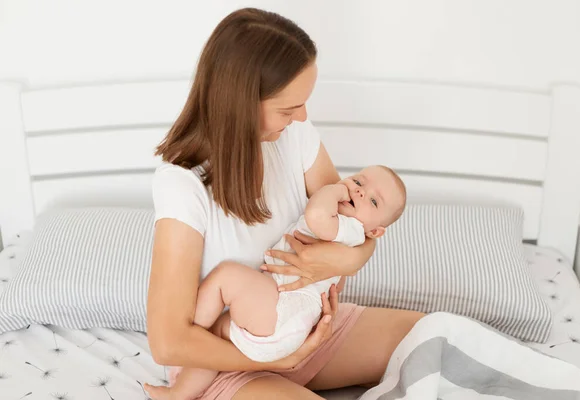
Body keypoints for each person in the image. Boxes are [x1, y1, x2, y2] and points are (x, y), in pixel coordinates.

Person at [145, 7, 424, 400]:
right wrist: (273, 362)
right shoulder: (183, 185)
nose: (302, 116)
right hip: (228, 358)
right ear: (242, 103)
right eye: (289, 108)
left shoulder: (294, 135)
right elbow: (168, 342)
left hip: (308, 326)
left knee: (439, 338)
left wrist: (346, 261)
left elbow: (358, 226)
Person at [146, 166, 407, 400]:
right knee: (219, 333)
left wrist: (336, 189)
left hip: (284, 311)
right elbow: (335, 286)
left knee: (225, 278)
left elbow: (316, 214)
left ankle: (193, 335)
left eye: (373, 201)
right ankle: (180, 391)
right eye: (358, 182)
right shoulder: (349, 234)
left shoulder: (346, 226)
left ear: (375, 232)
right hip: (293, 323)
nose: (360, 193)